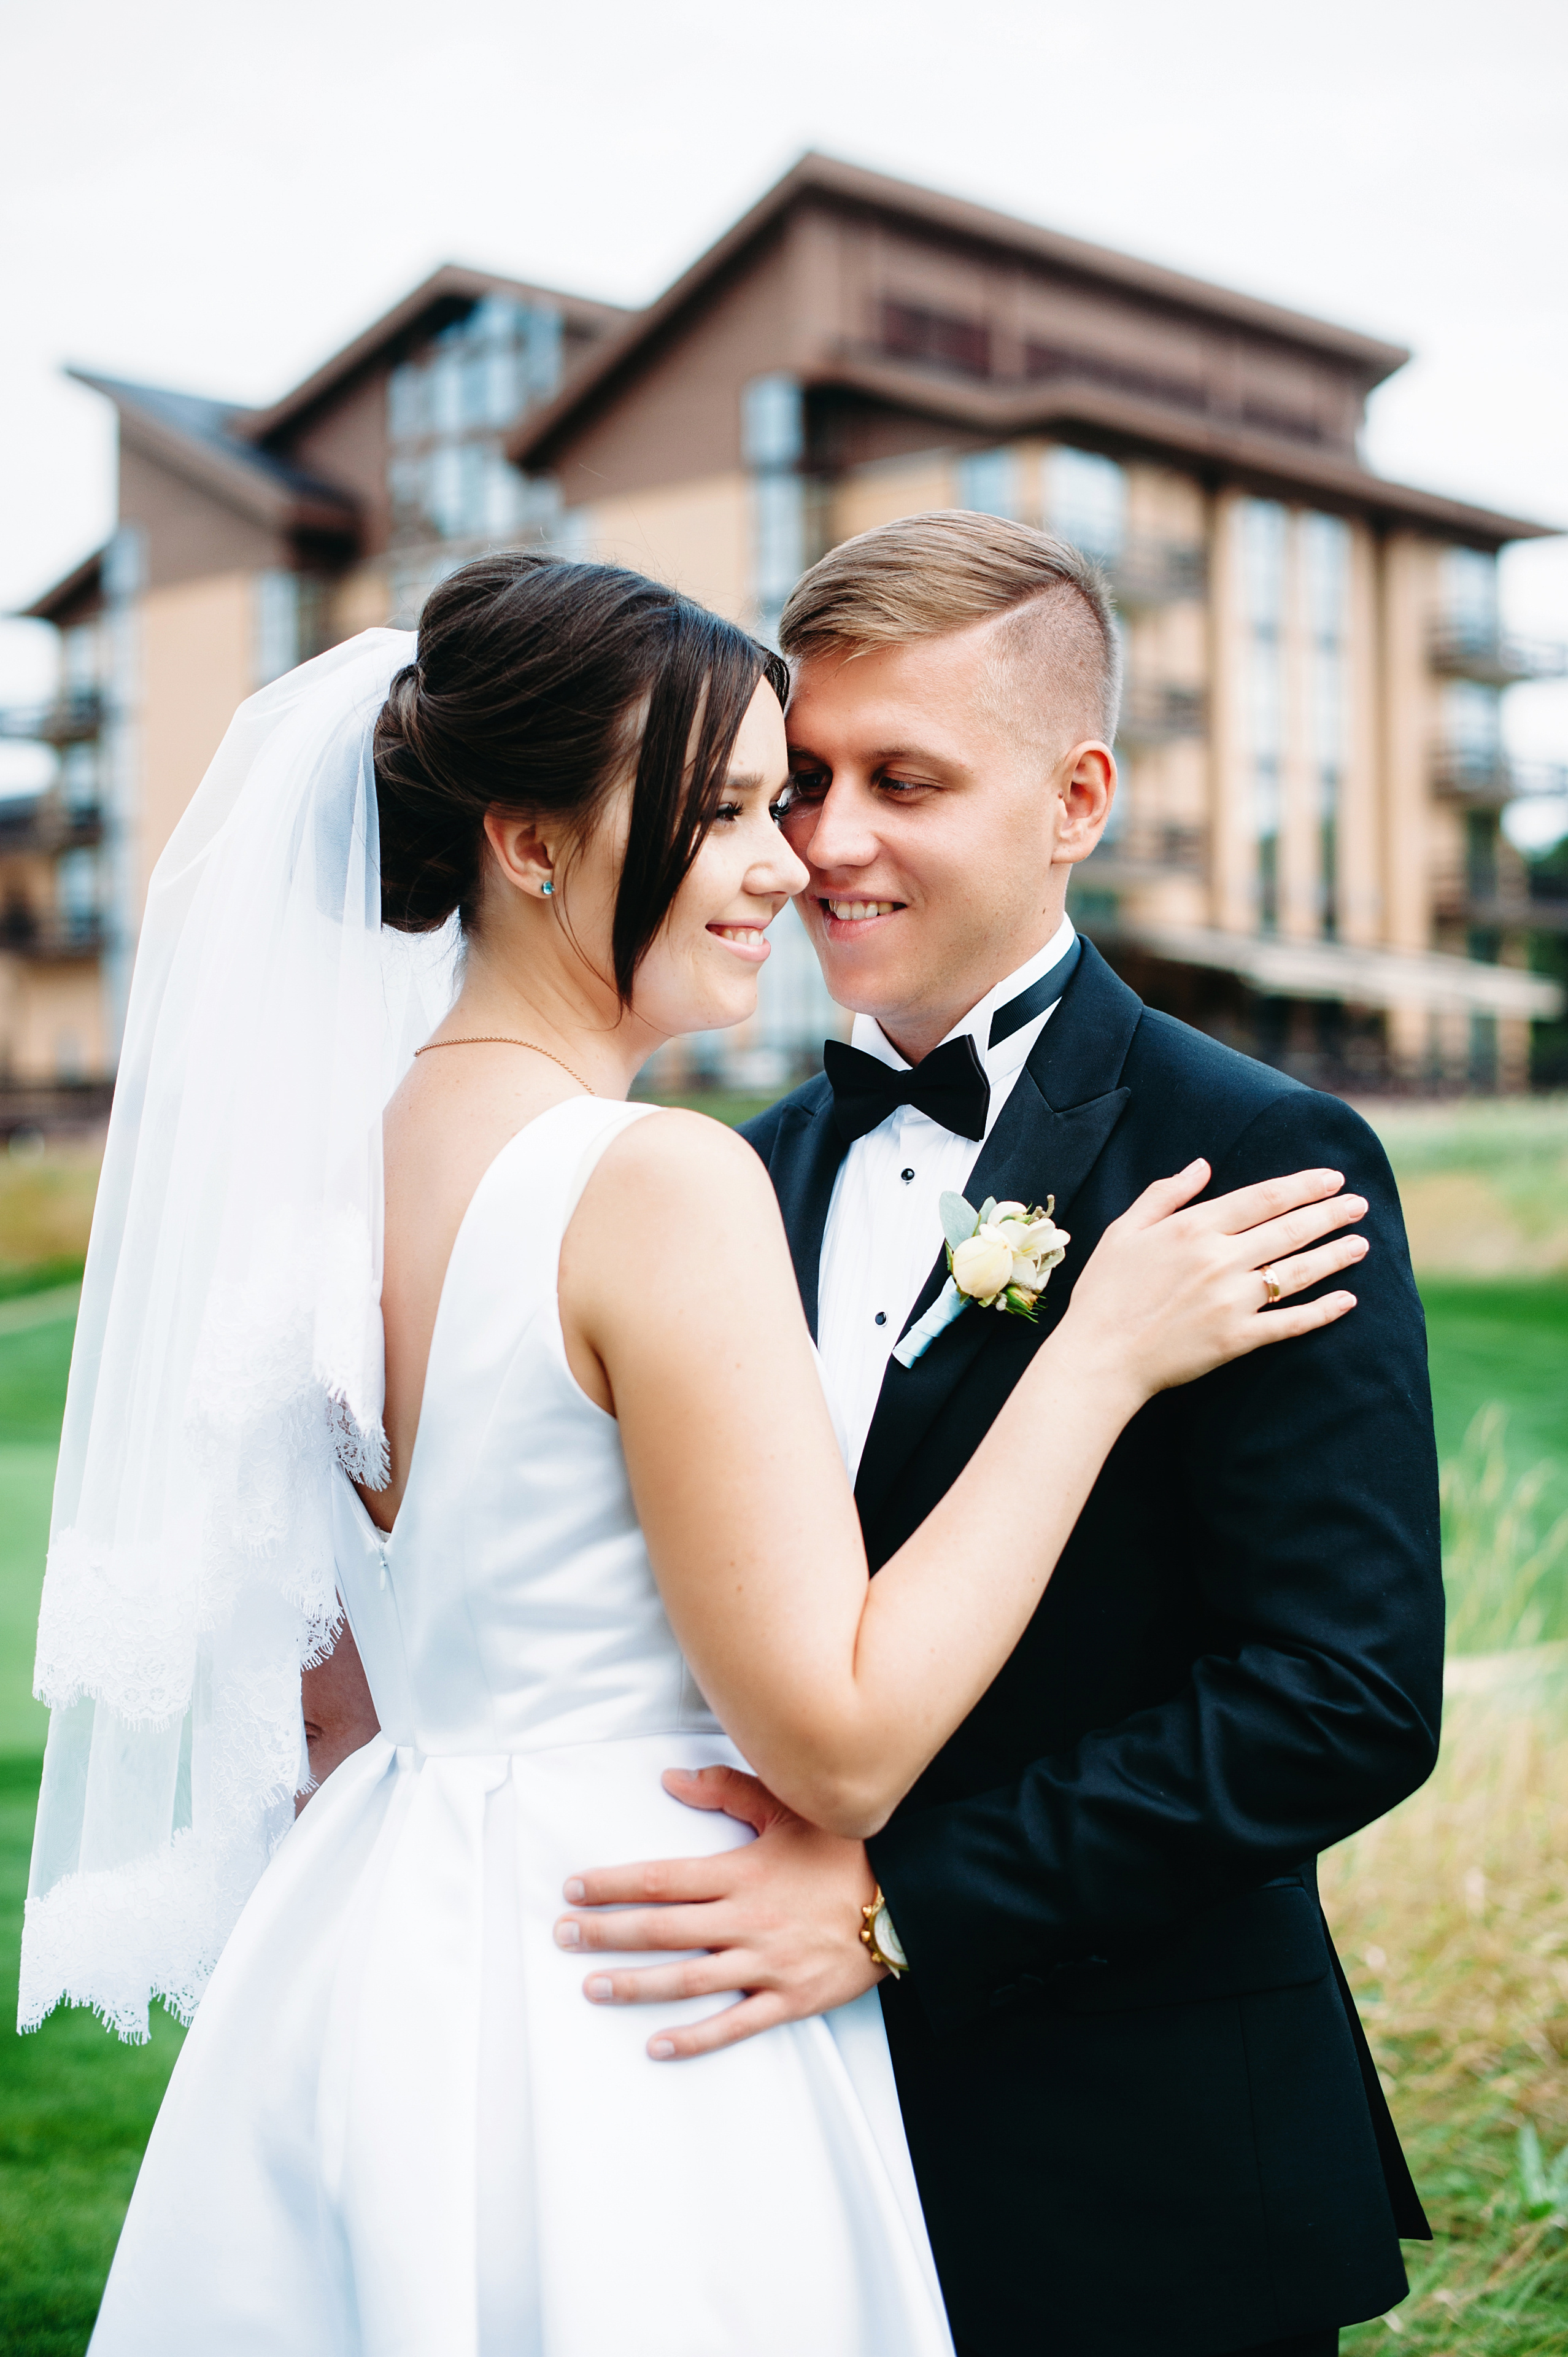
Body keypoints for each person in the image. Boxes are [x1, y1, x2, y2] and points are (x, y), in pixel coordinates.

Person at [25, 551, 1366, 2357]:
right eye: (743, 804)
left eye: (831, 793)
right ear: (530, 843)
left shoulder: (332, 1171)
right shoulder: (668, 1178)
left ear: (1075, 801)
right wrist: (1097, 1355)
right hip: (643, 1993)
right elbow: (841, 1733)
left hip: (384, 1966)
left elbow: (328, 1701)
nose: (793, 858)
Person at [552, 514, 1445, 2357]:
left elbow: (1338, 1695)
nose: (826, 843)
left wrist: (894, 1909)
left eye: (906, 780)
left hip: (1143, 2159)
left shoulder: (1257, 1151)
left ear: (1074, 799)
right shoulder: (724, 1185)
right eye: (802, 782)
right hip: (766, 2150)